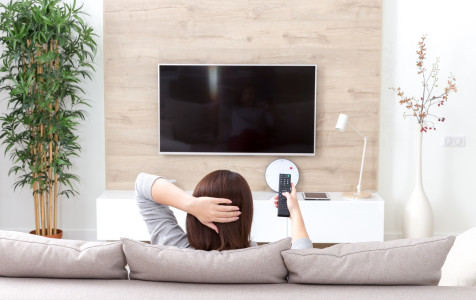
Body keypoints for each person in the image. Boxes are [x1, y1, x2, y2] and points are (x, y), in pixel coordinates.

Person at [135, 170, 312, 250]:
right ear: (246, 215)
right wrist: (295, 211)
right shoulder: (262, 259)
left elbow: (142, 184)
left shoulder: (173, 249)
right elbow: (303, 261)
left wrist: (191, 204)